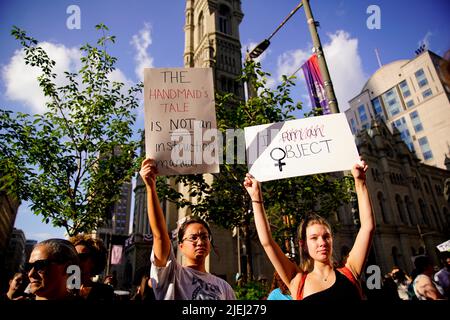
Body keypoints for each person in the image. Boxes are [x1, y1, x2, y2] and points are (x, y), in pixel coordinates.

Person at [244, 161, 375, 300]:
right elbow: (267, 242)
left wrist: (360, 183)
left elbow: (368, 227)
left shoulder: (350, 271)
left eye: (326, 237)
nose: (322, 242)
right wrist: (256, 198)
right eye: (314, 238)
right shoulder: (298, 281)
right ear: (303, 245)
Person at [140, 158, 236, 300]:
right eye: (193, 238)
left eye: (204, 237)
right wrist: (150, 187)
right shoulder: (172, 275)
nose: (200, 242)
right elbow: (159, 235)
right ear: (181, 245)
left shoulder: (224, 287)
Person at [68, 234, 114, 301]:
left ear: (93, 261)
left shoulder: (105, 291)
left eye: (82, 257)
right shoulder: (61, 290)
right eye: (72, 257)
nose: (76, 261)